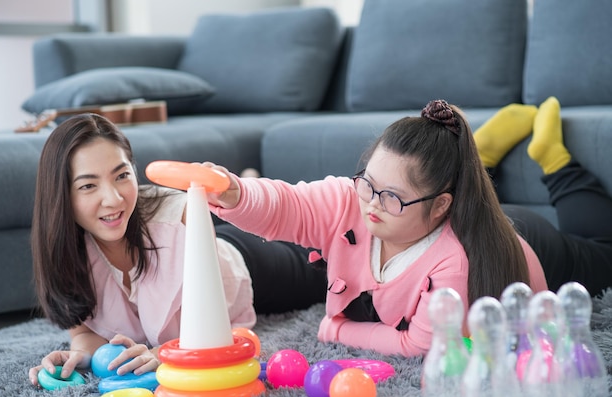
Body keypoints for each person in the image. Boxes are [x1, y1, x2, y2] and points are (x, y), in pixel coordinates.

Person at [201, 99, 549, 358]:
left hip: (537, 242)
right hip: (451, 206)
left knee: (602, 247)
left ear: (442, 204)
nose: (371, 204)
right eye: (368, 183)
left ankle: (558, 163)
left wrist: (337, 328)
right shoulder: (353, 199)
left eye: (392, 198)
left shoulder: (455, 262)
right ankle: (475, 160)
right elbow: (287, 205)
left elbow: (420, 344)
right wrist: (234, 192)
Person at [28, 113, 326, 386]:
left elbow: (208, 331)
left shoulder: (179, 213)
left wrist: (165, 353)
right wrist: (79, 355)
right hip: (191, 238)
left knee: (324, 267)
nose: (114, 199)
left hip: (245, 266)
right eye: (88, 186)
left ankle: (251, 182)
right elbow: (83, 333)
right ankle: (250, 176)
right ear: (61, 196)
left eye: (121, 176)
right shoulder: (66, 248)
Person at [474, 96, 612, 296]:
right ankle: (476, 168)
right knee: (606, 257)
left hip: (510, 242)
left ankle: (475, 169)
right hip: (512, 240)